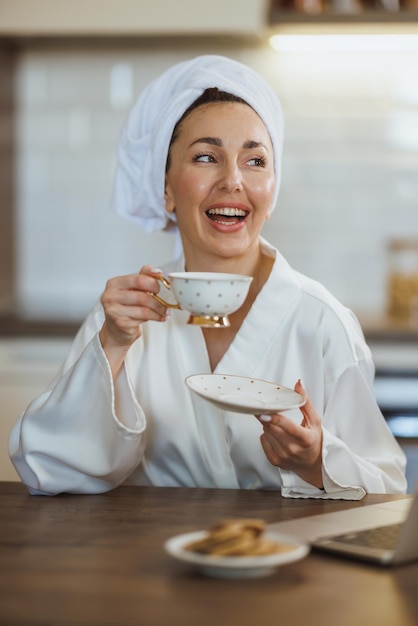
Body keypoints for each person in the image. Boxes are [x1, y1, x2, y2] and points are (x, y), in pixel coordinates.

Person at [9, 55, 406, 498]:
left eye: (255, 161)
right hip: (149, 562)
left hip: (289, 561)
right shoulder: (126, 318)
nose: (233, 180)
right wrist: (113, 345)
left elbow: (388, 491)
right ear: (164, 189)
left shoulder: (322, 323)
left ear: (273, 188)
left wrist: (318, 463)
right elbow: (51, 471)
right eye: (205, 157)